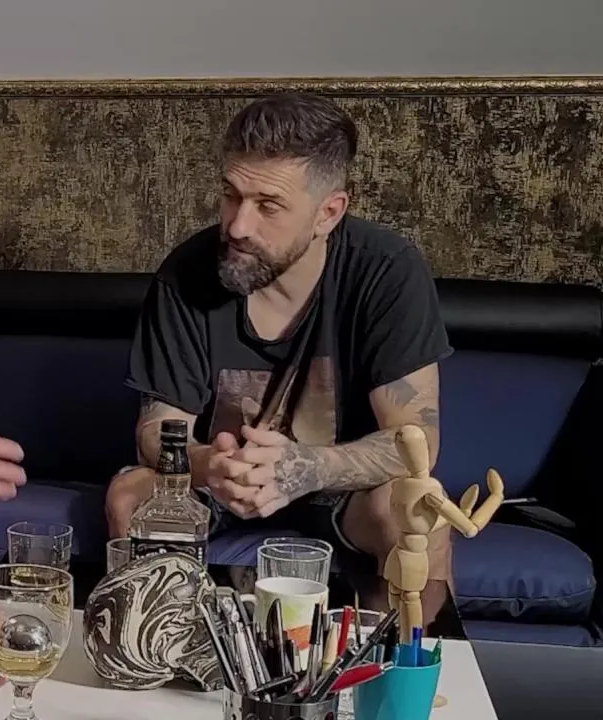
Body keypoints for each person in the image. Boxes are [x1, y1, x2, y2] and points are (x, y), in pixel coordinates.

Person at [109, 93, 453, 622]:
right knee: (131, 496)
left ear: (328, 213)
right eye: (231, 195)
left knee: (419, 509)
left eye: (268, 206)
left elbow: (416, 442)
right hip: (220, 481)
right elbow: (157, 432)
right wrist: (214, 465)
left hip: (341, 485)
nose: (238, 226)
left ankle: (399, 663)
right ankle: (158, 651)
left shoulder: (386, 270)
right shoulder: (186, 273)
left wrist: (306, 467)